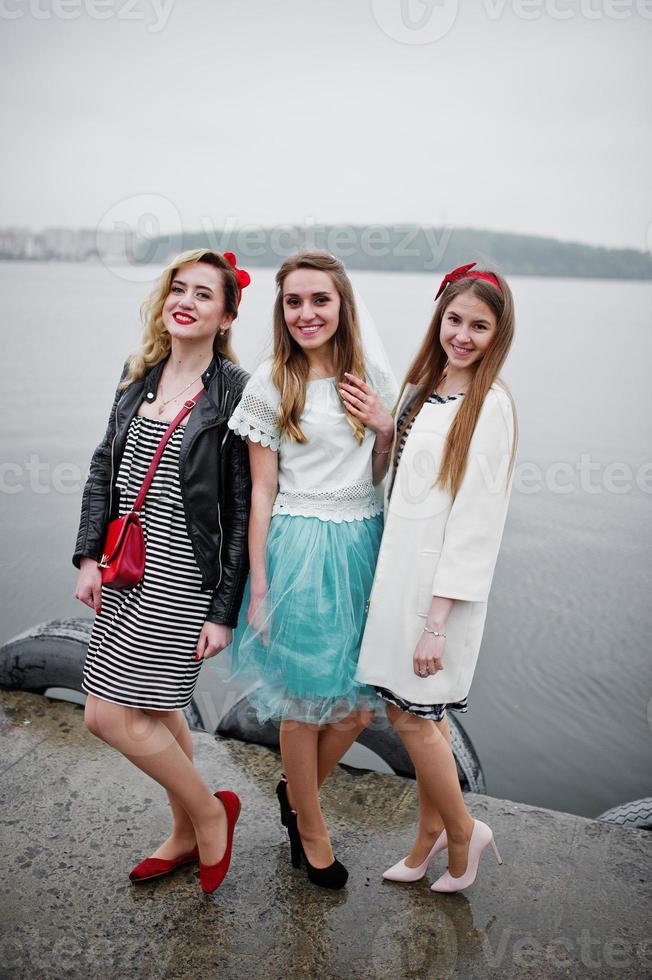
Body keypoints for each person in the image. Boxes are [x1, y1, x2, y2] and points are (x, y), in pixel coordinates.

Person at [73, 249, 251, 894]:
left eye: (205, 295)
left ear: (227, 313)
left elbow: (240, 509)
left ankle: (209, 814)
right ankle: (190, 828)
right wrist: (89, 554)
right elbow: (103, 468)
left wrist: (223, 610)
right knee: (154, 709)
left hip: (182, 577)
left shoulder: (235, 390)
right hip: (125, 570)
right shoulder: (138, 372)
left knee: (107, 718)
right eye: (180, 289)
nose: (187, 301)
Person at [224, 250, 396, 889]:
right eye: (294, 301)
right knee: (303, 700)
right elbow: (262, 492)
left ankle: (294, 795)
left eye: (319, 300)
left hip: (362, 545)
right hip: (298, 547)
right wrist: (260, 582)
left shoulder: (372, 374)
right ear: (282, 310)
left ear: (342, 304)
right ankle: (312, 830)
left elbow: (382, 480)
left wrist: (384, 430)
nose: (306, 313)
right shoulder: (273, 381)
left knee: (356, 706)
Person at [355, 262, 517, 893]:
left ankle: (462, 829)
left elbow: (478, 523)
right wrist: (384, 431)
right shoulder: (421, 389)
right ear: (439, 318)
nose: (463, 335)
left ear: (497, 334)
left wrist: (436, 624)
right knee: (426, 718)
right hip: (398, 583)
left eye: (480, 326)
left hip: (438, 598)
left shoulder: (491, 406)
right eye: (455, 319)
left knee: (411, 719)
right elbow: (394, 486)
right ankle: (426, 838)